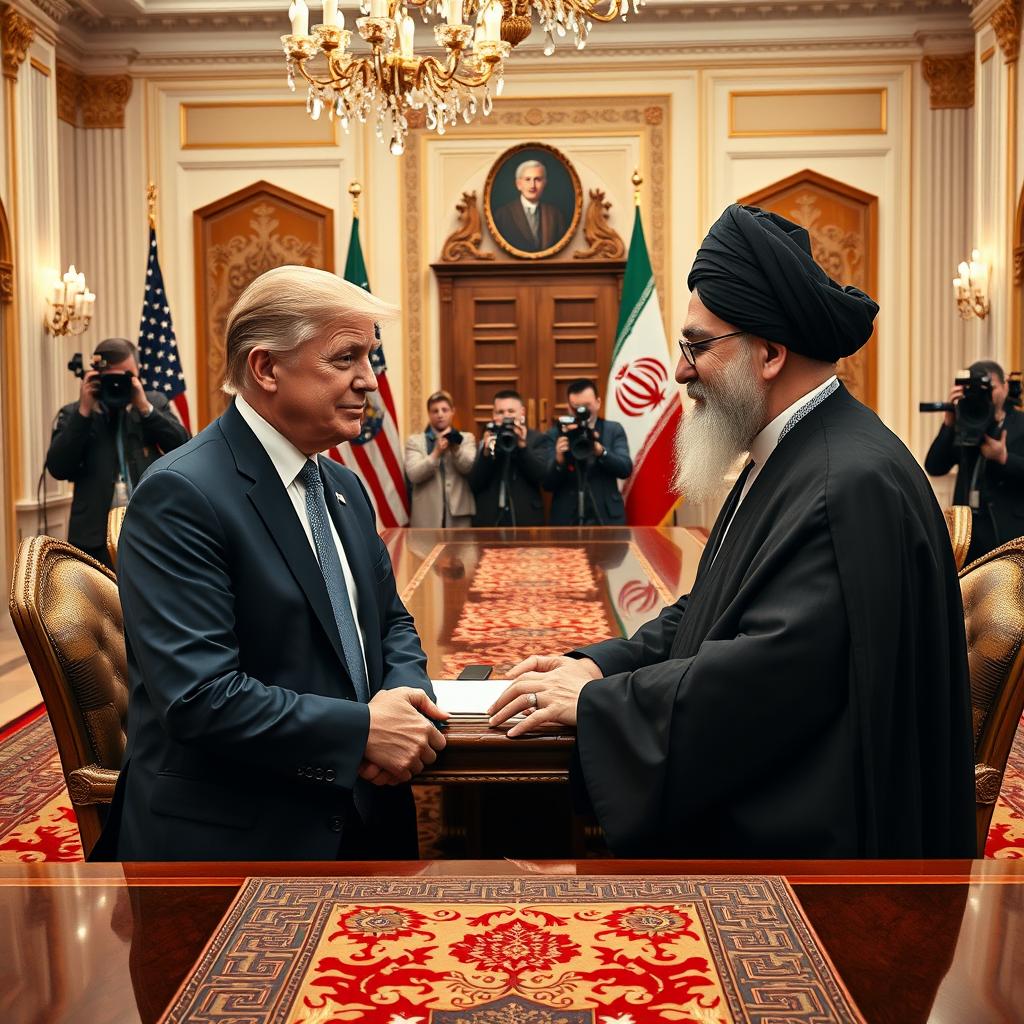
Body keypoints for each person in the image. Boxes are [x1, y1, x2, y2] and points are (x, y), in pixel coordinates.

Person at [489, 203, 976, 859]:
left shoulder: (847, 485)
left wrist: (601, 702)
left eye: (696, 347)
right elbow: (713, 610)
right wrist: (596, 662)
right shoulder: (792, 454)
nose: (681, 372)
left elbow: (764, 682)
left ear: (771, 353)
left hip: (820, 869)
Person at [95, 265, 448, 861]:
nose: (370, 382)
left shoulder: (342, 485)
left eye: (371, 357)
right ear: (265, 368)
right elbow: (201, 696)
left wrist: (406, 703)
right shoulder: (182, 493)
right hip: (239, 839)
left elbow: (390, 622)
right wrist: (363, 732)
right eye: (346, 359)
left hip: (367, 811)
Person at [46, 337, 189, 568]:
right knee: (96, 604)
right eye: (111, 378)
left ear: (137, 374)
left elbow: (183, 446)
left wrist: (145, 409)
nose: (117, 385)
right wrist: (84, 413)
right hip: (93, 540)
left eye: (126, 377)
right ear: (95, 376)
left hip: (150, 533)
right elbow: (58, 468)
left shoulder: (153, 404)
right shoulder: (75, 413)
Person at [924, 360, 1024, 562]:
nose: (985, 394)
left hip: (1008, 531)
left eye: (991, 388)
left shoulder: (1021, 423)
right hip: (967, 532)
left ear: (1005, 387)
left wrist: (1004, 458)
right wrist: (948, 423)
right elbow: (934, 466)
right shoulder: (965, 421)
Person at [545, 378, 632, 526]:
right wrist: (559, 460)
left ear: (598, 402)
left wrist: (600, 451)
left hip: (606, 516)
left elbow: (625, 468)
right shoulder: (556, 434)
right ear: (568, 407)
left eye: (586, 406)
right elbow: (547, 484)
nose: (581, 412)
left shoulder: (613, 430)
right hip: (566, 518)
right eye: (576, 407)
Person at [468, 389, 552, 527]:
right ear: (493, 415)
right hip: (489, 520)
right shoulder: (487, 438)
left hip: (525, 520)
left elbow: (542, 476)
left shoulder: (537, 439)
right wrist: (486, 453)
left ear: (522, 413)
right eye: (500, 412)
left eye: (511, 411)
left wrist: (523, 447)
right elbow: (474, 484)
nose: (506, 416)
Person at [405, 389, 476, 528]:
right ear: (429, 414)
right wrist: (436, 453)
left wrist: (456, 449)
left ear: (452, 411)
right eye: (435, 411)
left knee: (461, 550)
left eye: (445, 409)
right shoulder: (415, 441)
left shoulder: (466, 438)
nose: (440, 414)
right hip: (427, 517)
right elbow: (413, 475)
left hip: (459, 516)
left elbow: (468, 468)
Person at [492, 159, 568, 253]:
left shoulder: (556, 215)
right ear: (518, 184)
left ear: (544, 183)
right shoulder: (502, 215)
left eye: (537, 179)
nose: (532, 185)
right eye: (527, 179)